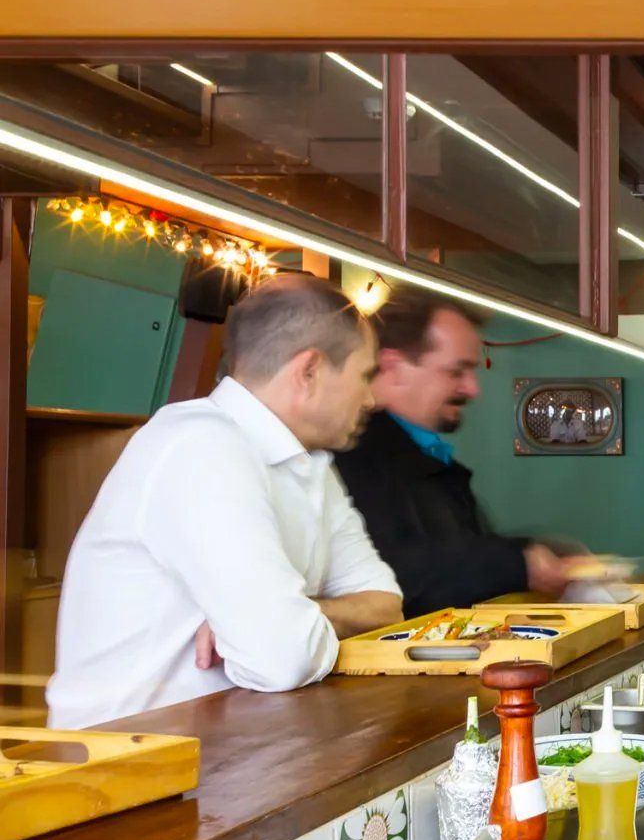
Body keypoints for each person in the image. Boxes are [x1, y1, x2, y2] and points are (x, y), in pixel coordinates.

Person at [46, 274, 402, 728]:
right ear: (309, 371)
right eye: (364, 376)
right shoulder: (200, 446)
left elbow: (387, 609)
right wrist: (283, 628)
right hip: (122, 757)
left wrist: (307, 614)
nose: (371, 399)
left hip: (229, 748)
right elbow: (283, 657)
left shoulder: (311, 462)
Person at [333, 289, 600, 614]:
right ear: (394, 367)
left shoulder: (428, 458)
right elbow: (396, 576)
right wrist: (517, 563)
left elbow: (454, 552)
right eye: (456, 371)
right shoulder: (351, 457)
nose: (472, 389)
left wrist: (537, 553)